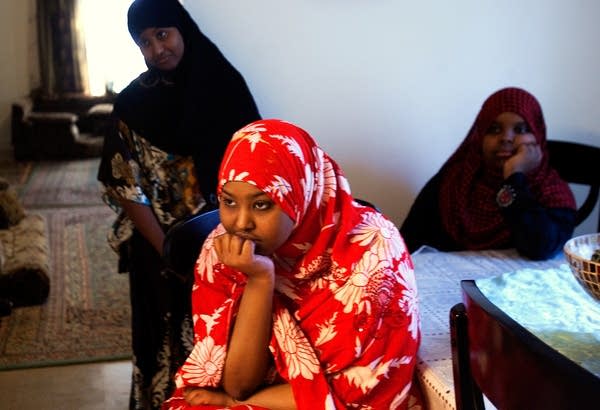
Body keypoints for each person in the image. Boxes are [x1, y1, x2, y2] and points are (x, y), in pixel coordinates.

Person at [162, 119, 421, 409]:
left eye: (262, 204)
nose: (241, 223)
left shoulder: (372, 248)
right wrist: (260, 280)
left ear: (300, 195)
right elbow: (238, 383)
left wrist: (229, 403)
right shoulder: (221, 249)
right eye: (229, 202)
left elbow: (362, 395)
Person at [97, 0, 260, 408]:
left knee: (223, 346)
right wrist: (170, 254)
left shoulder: (225, 87)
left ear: (182, 29)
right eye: (144, 42)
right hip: (158, 252)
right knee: (160, 346)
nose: (156, 49)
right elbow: (125, 184)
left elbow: (255, 170)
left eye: (162, 34)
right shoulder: (132, 105)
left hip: (225, 249)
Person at [400, 87, 576, 260]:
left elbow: (540, 248)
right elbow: (404, 249)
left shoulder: (553, 193)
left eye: (521, 130)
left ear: (538, 136)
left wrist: (514, 178)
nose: (506, 138)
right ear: (479, 137)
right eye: (494, 129)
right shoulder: (452, 184)